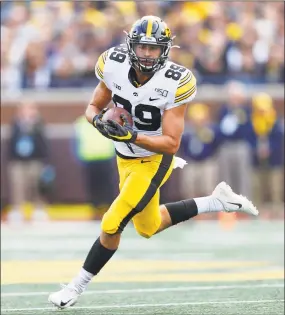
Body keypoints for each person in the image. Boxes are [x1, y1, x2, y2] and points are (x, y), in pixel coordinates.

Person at [48, 16, 258, 309]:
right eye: (142, 47)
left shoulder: (176, 81)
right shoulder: (113, 63)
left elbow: (172, 142)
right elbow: (93, 107)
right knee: (148, 227)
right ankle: (217, 201)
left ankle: (74, 287)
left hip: (155, 159)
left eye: (154, 48)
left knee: (111, 223)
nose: (147, 54)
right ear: (131, 46)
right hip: (125, 158)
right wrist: (98, 121)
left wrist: (131, 135)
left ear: (165, 50)